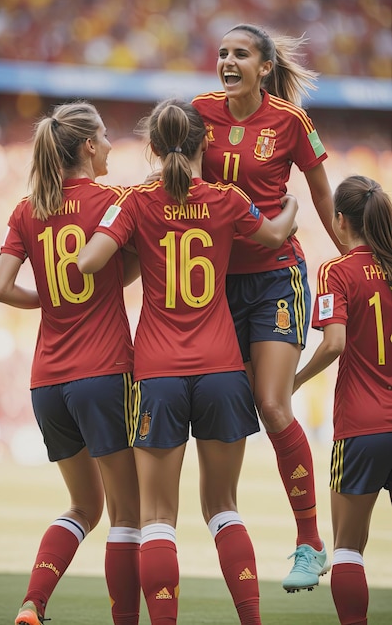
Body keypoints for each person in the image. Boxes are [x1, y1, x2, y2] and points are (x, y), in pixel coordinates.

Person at [77, 98, 298, 625]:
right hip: (222, 369)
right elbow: (274, 234)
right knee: (223, 507)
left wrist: (135, 249)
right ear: (206, 143)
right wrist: (290, 208)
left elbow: (87, 262)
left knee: (157, 519)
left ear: (151, 147)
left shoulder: (135, 201)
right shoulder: (227, 198)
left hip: (158, 373)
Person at [191, 23, 344, 592]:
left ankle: (309, 542)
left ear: (263, 67)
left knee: (272, 405)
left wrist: (348, 248)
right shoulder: (198, 112)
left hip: (277, 276)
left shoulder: (289, 121)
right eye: (223, 52)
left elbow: (322, 192)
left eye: (241, 54)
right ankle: (221, 523)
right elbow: (175, 181)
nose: (227, 61)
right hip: (217, 284)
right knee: (224, 405)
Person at [0, 101, 141, 625]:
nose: (110, 144)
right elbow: (127, 269)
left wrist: (49, 299)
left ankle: (33, 603)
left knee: (84, 507)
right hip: (103, 372)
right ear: (87, 147)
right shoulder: (113, 201)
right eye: (104, 136)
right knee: (127, 515)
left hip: (47, 381)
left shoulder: (26, 209)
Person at [293, 175, 392, 625]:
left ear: (339, 221)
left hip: (361, 426)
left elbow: (333, 344)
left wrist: (293, 381)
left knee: (348, 549)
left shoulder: (337, 271)